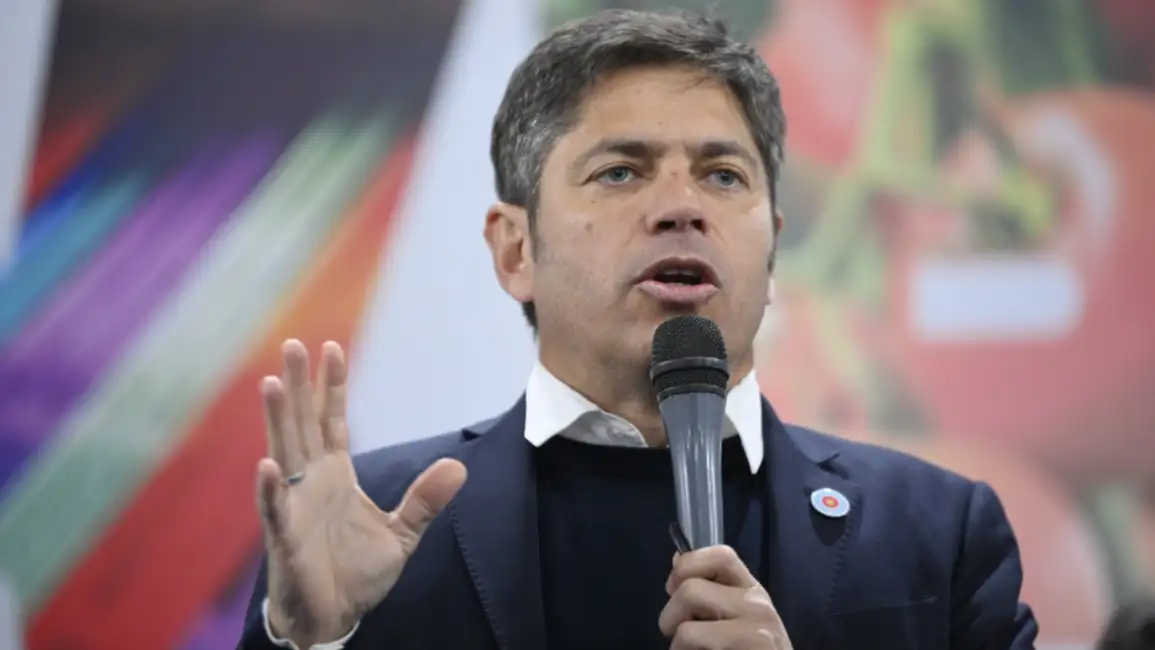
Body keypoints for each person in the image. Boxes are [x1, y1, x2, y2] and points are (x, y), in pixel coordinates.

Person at [237, 9, 1037, 650]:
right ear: (515, 250)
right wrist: (311, 642)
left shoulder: (936, 530)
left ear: (772, 249)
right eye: (620, 171)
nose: (682, 207)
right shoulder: (373, 523)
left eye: (722, 175)